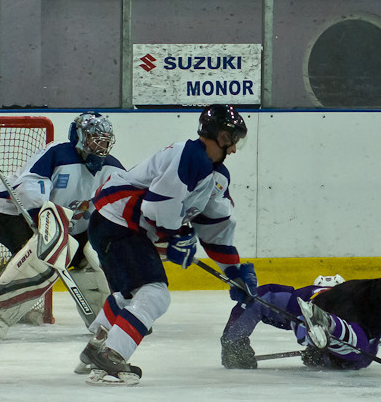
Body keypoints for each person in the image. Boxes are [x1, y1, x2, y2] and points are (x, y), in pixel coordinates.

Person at [78, 104, 258, 385]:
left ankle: (97, 346)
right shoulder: (190, 157)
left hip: (120, 225)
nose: (234, 148)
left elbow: (214, 228)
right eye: (231, 139)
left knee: (131, 294)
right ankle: (112, 356)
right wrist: (176, 236)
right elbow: (156, 207)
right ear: (218, 136)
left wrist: (234, 272)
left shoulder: (216, 175)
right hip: (117, 222)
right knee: (155, 294)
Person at [220, 179, 381, 370]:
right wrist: (322, 356)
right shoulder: (330, 298)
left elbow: (261, 298)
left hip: (327, 308)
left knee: (356, 348)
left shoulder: (300, 298)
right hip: (364, 302)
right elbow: (367, 355)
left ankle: (326, 327)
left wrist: (233, 343)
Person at [0, 112, 124, 340]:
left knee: (91, 258)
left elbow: (124, 200)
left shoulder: (112, 168)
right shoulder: (58, 152)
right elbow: (29, 186)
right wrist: (44, 218)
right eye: (94, 138)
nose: (100, 144)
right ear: (78, 136)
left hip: (68, 228)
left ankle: (110, 318)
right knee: (43, 256)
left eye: (104, 139)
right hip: (15, 217)